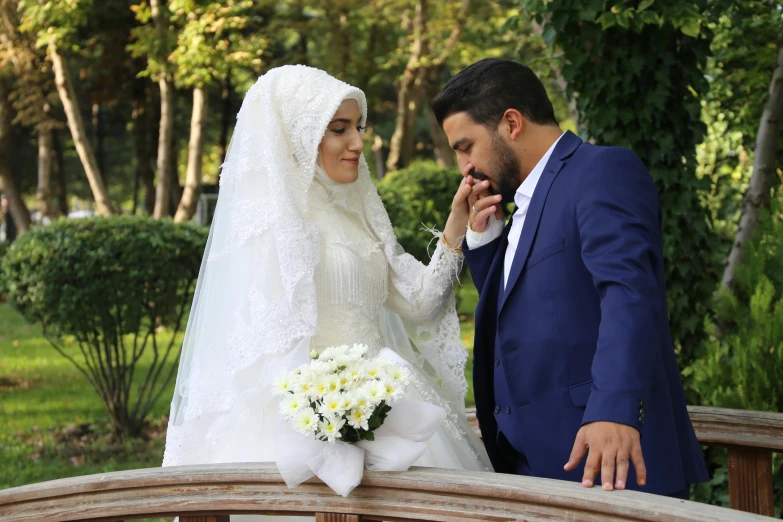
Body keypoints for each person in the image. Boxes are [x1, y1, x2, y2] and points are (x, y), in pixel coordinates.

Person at [162, 65, 492, 521]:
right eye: (339, 129)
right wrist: (324, 414)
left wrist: (458, 224)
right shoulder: (275, 228)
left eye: (358, 127)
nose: (357, 142)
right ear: (300, 135)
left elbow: (420, 303)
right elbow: (263, 347)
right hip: (312, 419)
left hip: (386, 400)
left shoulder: (359, 212)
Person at [432, 58, 709, 498]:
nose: (464, 167)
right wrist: (485, 244)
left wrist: (614, 411)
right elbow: (524, 315)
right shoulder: (520, 203)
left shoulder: (600, 172)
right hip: (531, 466)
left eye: (466, 147)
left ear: (511, 123)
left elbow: (628, 294)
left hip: (605, 458)